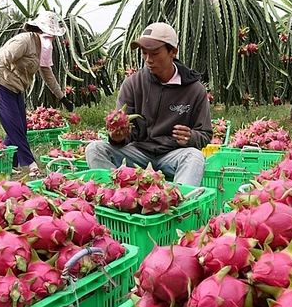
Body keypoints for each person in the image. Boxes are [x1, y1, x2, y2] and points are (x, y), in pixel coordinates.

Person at [85, 22, 212, 187]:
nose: (148, 60)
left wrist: (191, 137)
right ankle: (119, 196)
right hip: (138, 153)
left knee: (195, 156)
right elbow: (125, 131)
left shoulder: (195, 90)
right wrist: (117, 137)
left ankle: (179, 205)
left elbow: (205, 134)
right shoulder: (133, 84)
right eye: (144, 53)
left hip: (172, 155)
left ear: (173, 52)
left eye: (155, 53)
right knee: (94, 149)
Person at [0, 11, 74, 177]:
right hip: (1, 84)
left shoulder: (43, 47)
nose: (53, 38)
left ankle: (6, 164)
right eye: (51, 34)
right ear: (40, 30)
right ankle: (32, 167)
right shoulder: (23, 41)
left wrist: (62, 97)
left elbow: (47, 74)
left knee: (20, 128)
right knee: (16, 128)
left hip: (16, 88)